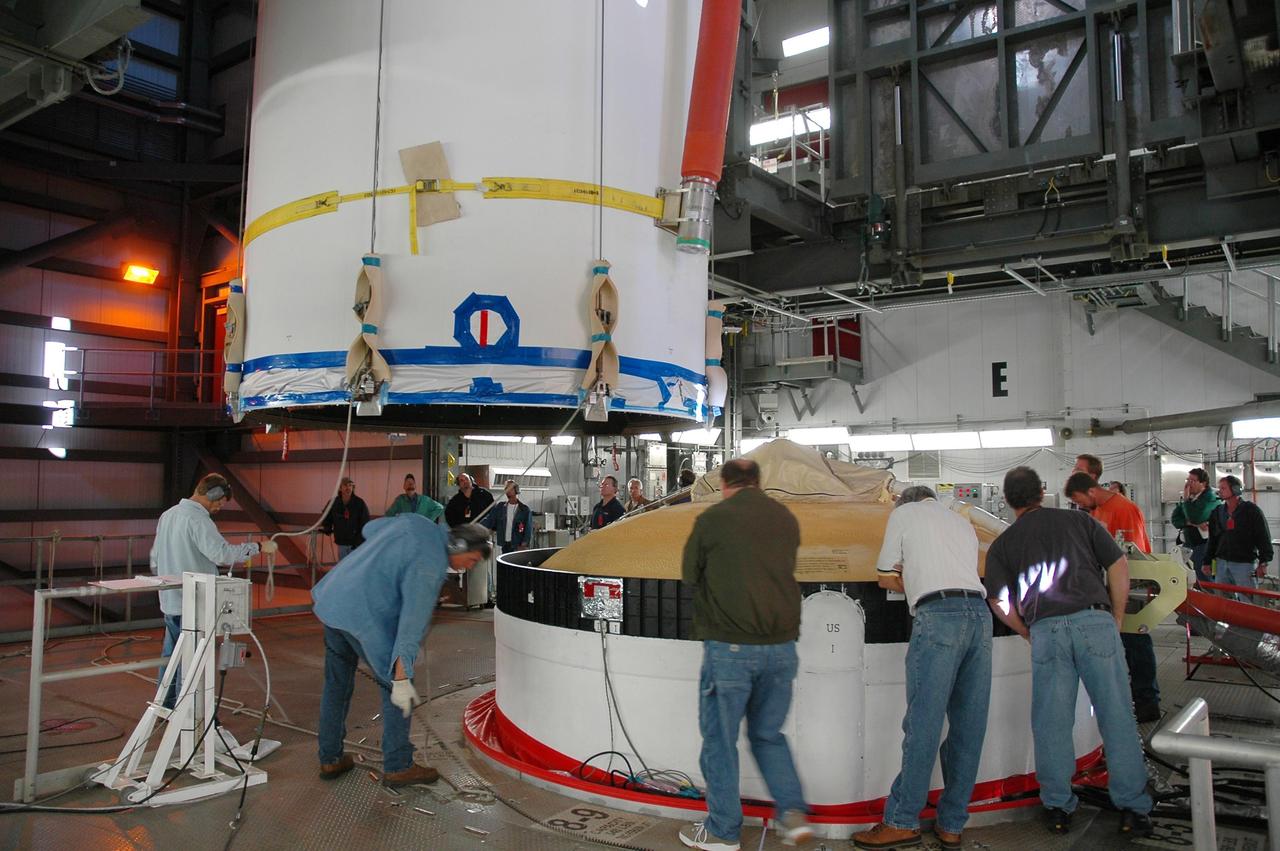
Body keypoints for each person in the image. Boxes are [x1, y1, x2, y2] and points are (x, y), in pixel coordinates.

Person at [983, 467, 1153, 838]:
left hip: (1047, 630)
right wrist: (1115, 616)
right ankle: (1133, 809)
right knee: (1116, 715)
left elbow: (998, 600)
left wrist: (1025, 630)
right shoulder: (1080, 522)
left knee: (1052, 721)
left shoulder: (1004, 544)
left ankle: (1058, 807)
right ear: (1041, 493)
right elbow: (1118, 564)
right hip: (1095, 622)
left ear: (1008, 501)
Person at [678, 458, 813, 851]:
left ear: (724, 485)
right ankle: (793, 813)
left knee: (720, 741)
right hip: (782, 649)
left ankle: (723, 831)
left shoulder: (712, 519)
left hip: (730, 648)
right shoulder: (786, 518)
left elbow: (689, 573)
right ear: (757, 482)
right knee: (768, 735)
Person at [854, 486, 991, 850]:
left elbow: (885, 576)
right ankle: (951, 824)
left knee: (923, 724)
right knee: (969, 725)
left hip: (938, 615)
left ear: (905, 502)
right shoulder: (961, 522)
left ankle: (901, 821)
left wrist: (911, 577)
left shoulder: (904, 514)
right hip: (979, 615)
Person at [311, 518, 491, 786]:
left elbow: (369, 529)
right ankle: (398, 765)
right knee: (398, 685)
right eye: (472, 559)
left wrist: (392, 560)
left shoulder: (417, 522)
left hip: (334, 600)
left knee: (336, 686)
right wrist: (402, 675)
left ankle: (330, 758)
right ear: (459, 545)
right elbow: (410, 627)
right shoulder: (429, 567)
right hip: (362, 616)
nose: (470, 566)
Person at [150, 474, 272, 708]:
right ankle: (189, 713)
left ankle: (164, 706)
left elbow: (155, 557)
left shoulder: (169, 515)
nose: (219, 508)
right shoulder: (198, 520)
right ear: (214, 495)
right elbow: (221, 554)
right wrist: (257, 547)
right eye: (220, 503)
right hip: (194, 603)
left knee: (171, 657)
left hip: (170, 601)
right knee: (192, 663)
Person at [1063, 471, 1160, 722]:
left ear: (1091, 491)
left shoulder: (1124, 509)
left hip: (1130, 587)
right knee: (1123, 646)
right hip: (1109, 586)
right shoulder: (1098, 510)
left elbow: (1129, 555)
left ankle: (1148, 702)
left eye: (1079, 500)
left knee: (1136, 642)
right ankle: (1130, 698)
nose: (1080, 505)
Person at [1206, 475, 1273, 599]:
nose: (1220, 491)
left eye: (1223, 488)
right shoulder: (1217, 512)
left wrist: (1263, 562)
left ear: (1235, 489)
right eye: (1219, 488)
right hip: (1222, 564)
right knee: (1223, 603)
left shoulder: (1251, 511)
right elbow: (1213, 539)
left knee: (1248, 601)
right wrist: (1207, 561)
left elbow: (1263, 536)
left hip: (1244, 565)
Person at [1171, 468, 1221, 584]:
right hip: (1189, 543)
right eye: (1187, 480)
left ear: (1203, 483)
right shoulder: (1190, 498)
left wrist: (1186, 502)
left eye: (1192, 481)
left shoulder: (1209, 498)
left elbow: (1196, 517)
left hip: (1204, 545)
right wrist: (1190, 523)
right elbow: (1175, 519)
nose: (1189, 484)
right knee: (1189, 576)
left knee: (1203, 577)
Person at [322, 477, 369, 560]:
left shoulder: (359, 503)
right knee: (342, 564)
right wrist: (327, 527)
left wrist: (359, 540)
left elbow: (365, 521)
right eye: (345, 485)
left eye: (350, 485)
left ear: (353, 488)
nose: (348, 487)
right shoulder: (334, 503)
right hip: (341, 541)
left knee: (355, 564)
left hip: (355, 543)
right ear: (340, 488)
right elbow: (326, 516)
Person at [483, 480, 534, 554]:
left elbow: (528, 528)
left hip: (517, 545)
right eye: (506, 488)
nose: (508, 490)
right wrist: (476, 526)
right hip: (505, 544)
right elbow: (489, 520)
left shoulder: (524, 510)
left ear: (516, 490)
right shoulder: (500, 507)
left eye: (510, 488)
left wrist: (524, 544)